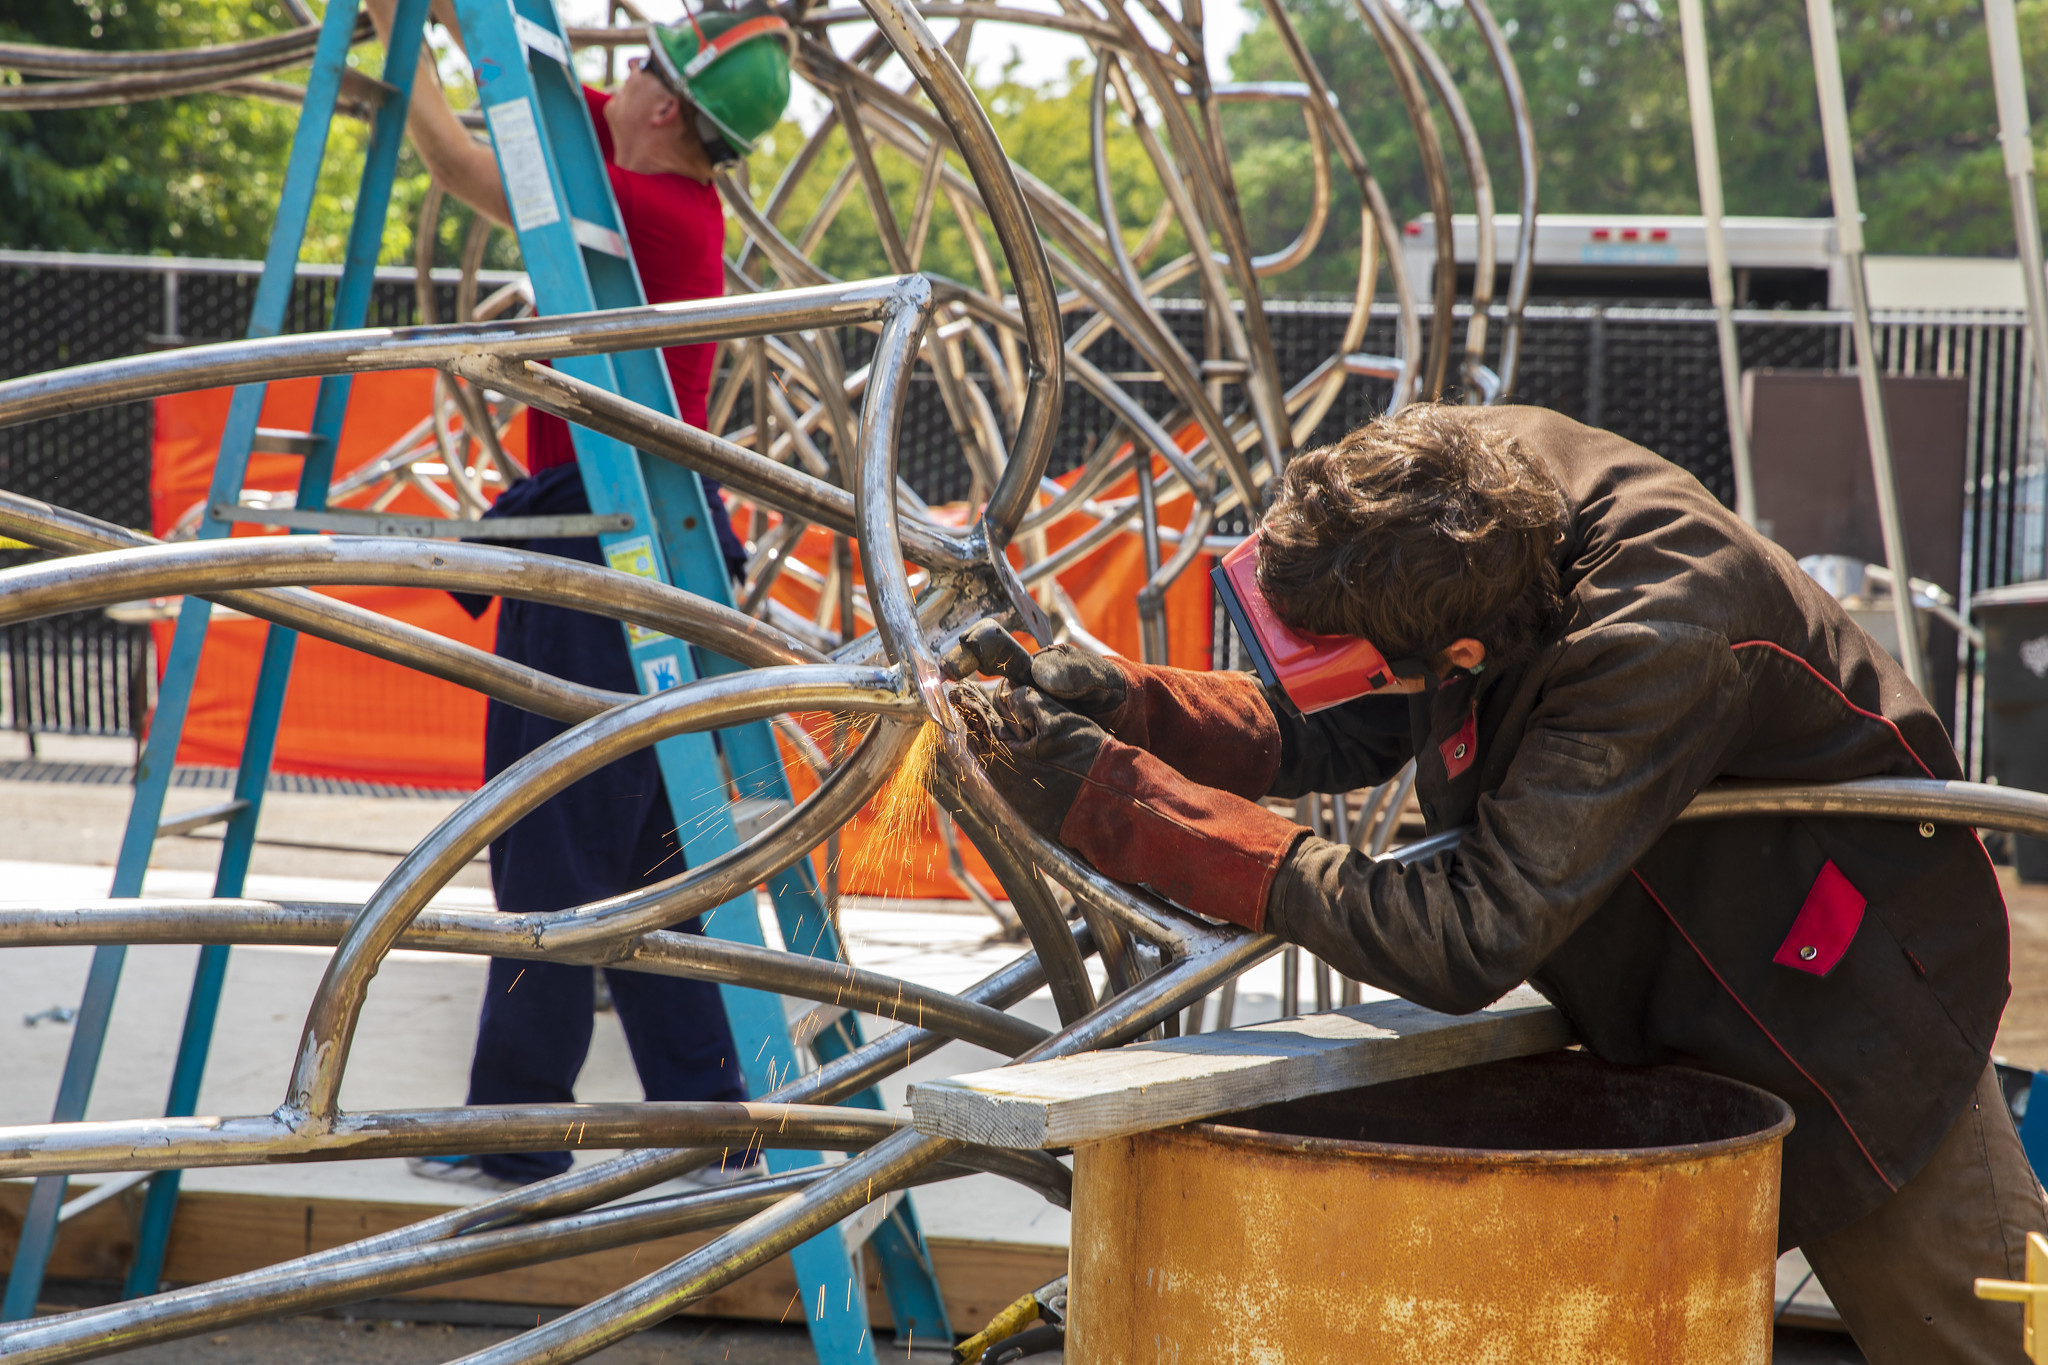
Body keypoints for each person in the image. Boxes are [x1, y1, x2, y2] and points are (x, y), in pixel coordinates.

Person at [952, 403, 2043, 1364]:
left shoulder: (1655, 633)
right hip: (1650, 972)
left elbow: (1467, 936)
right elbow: (1344, 710)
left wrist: (1124, 807)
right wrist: (1131, 706)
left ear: (1465, 651)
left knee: (1978, 1337)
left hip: (1844, 1018)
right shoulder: (1444, 490)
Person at [362, 0, 794, 1188]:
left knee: (546, 829)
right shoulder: (655, 169)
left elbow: (461, 159)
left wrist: (401, 45)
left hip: (604, 538)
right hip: (640, 532)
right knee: (651, 844)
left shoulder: (641, 212)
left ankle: (515, 1136)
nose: (625, 81)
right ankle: (714, 1121)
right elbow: (532, 110)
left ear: (662, 105)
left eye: (645, 71)